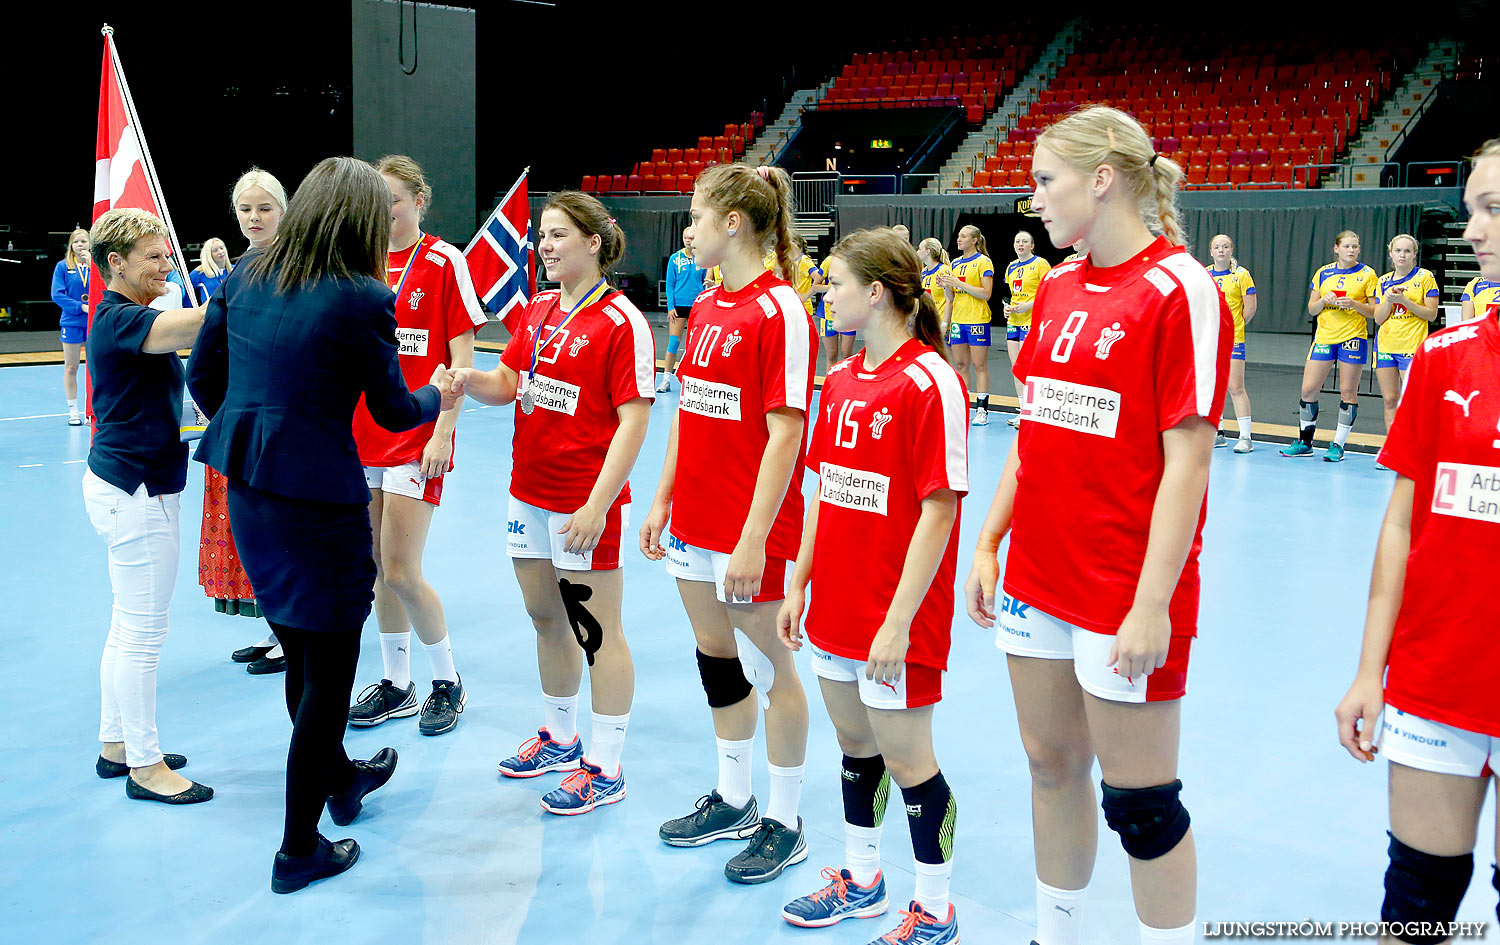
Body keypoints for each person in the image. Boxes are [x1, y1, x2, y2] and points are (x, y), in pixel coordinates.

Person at [964, 105, 1230, 945]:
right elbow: (1034, 428)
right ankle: (1058, 930)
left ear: (1103, 178)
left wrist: (1153, 601)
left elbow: (1188, 459)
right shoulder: (1055, 286)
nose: (1032, 199)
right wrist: (987, 538)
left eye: (1046, 180)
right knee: (1050, 765)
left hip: (1122, 586)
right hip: (1037, 576)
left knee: (1142, 805)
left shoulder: (1178, 287)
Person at [188, 156, 460, 893]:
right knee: (329, 675)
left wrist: (258, 430)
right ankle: (298, 847)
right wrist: (438, 390)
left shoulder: (245, 275)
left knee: (302, 652)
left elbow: (202, 379)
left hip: (250, 491)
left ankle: (339, 778)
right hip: (319, 506)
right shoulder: (359, 296)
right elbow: (395, 411)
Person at [778, 228, 969, 943]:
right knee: (856, 747)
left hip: (897, 613)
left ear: (877, 292)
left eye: (834, 283)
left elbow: (940, 506)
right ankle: (862, 879)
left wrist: (898, 620)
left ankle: (936, 907)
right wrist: (800, 581)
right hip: (835, 601)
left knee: (909, 760)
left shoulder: (930, 381)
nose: (826, 294)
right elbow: (822, 491)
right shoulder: (840, 381)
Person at [1334, 138, 1500, 942]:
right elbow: (1402, 522)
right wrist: (1373, 669)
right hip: (1438, 678)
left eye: (1493, 209)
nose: (1473, 229)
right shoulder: (1444, 357)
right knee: (1416, 904)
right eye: (1471, 208)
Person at [640, 162, 817, 884]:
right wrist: (661, 499)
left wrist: (750, 536)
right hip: (692, 522)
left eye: (696, 217)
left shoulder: (781, 312)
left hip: (752, 533)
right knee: (717, 659)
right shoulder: (710, 304)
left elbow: (785, 435)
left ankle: (785, 818)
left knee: (774, 671)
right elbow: (689, 409)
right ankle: (735, 796)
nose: (688, 231)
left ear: (734, 223)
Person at [453, 191, 654, 814]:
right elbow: (511, 382)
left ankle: (607, 765)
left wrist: (599, 504)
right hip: (527, 492)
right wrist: (465, 379)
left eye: (560, 234)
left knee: (597, 631)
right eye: (543, 233)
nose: (545, 244)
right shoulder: (537, 309)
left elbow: (633, 421)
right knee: (545, 618)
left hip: (581, 501)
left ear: (594, 243)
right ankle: (561, 737)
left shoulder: (622, 321)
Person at [344, 155, 485, 737]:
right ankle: (397, 684)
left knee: (402, 568)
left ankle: (447, 681)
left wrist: (443, 433)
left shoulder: (443, 261)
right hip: (361, 436)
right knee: (378, 566)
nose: (386, 210)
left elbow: (462, 359)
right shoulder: (360, 262)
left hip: (416, 438)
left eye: (395, 198)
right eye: (378, 199)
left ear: (419, 200)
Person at [83, 207, 212, 805]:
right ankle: (145, 764)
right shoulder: (119, 320)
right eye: (154, 257)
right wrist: (252, 289)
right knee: (143, 633)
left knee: (125, 624)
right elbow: (191, 329)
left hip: (127, 485)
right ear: (117, 264)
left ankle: (117, 744)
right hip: (137, 490)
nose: (166, 264)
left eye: (166, 254)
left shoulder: (125, 316)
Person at [212, 169, 288, 665]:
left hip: (282, 423)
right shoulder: (243, 267)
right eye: (245, 209)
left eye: (264, 208)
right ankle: (275, 625)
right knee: (259, 534)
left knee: (281, 533)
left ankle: (289, 631)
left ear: (283, 210)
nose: (254, 217)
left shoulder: (294, 268)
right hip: (247, 422)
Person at [1280, 230, 1378, 462]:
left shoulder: (1367, 274)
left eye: (1355, 246)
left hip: (1352, 337)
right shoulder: (1324, 273)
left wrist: (1354, 304)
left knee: (1347, 391)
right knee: (1308, 389)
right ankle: (1305, 441)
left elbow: (1375, 312)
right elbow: (1312, 309)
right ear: (1336, 249)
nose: (1351, 250)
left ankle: (1338, 445)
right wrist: (1324, 300)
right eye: (1347, 246)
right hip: (1324, 337)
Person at [1372, 234, 1440, 432]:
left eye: (1407, 251)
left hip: (1411, 347)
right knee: (1390, 399)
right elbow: (1378, 318)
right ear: (1391, 254)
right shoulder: (1383, 281)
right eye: (1398, 251)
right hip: (1385, 346)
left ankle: (1417, 450)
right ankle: (1393, 450)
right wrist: (1389, 300)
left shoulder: (1425, 277)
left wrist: (1405, 301)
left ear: (1414, 255)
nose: (1402, 255)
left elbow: (1431, 314)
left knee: (1414, 401)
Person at [1205, 235, 1257, 452]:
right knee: (1213, 386)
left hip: (1233, 338)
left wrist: (1233, 327)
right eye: (1217, 247)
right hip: (1210, 339)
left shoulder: (1242, 275)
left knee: (1235, 386)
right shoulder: (1205, 274)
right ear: (1211, 251)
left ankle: (1245, 437)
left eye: (1225, 246)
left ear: (1231, 250)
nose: (1221, 250)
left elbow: (1250, 308)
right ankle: (1219, 432)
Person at [937, 225, 994, 425]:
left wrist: (959, 283)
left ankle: (982, 410)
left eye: (963, 236)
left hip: (977, 319)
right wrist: (945, 286)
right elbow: (951, 297)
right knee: (960, 365)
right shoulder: (955, 263)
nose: (959, 239)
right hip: (958, 320)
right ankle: (963, 406)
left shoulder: (983, 262)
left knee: (979, 365)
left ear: (974, 240)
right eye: (959, 236)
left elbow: (986, 294)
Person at [1002, 230, 1051, 428]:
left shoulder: (1040, 264)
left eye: (1024, 241)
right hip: (1013, 320)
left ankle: (1033, 411)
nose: (1020, 244)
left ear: (1032, 245)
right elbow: (1007, 294)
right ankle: (1022, 411)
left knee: (1029, 366)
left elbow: (1047, 291)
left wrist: (1027, 306)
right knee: (1016, 368)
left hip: (1031, 319)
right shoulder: (1011, 266)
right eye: (1017, 241)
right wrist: (1005, 306)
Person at [660, 225, 708, 391]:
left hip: (697, 306)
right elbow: (670, 283)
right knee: (673, 343)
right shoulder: (675, 259)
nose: (689, 240)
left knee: (693, 346)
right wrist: (670, 306)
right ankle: (666, 379)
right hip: (678, 306)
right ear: (682, 239)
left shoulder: (702, 259)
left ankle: (691, 381)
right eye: (686, 238)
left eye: (691, 238)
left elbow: (705, 282)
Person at [51, 227, 91, 425]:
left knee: (96, 367)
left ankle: (94, 410)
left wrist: (93, 263)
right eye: (76, 242)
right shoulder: (62, 266)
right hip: (72, 321)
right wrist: (80, 306)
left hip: (94, 322)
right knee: (71, 367)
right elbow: (57, 294)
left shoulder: (98, 266)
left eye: (84, 241)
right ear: (71, 246)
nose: (80, 245)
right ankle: (73, 411)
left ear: (90, 244)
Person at [917, 238, 954, 336]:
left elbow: (950, 301)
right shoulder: (924, 272)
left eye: (920, 249)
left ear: (928, 251)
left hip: (940, 323)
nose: (917, 252)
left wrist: (944, 325)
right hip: (926, 323)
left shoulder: (944, 270)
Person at [190, 238, 232, 303]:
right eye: (215, 250)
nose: (220, 252)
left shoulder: (236, 269)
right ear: (208, 254)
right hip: (211, 311)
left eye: (221, 248)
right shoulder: (198, 273)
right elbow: (187, 297)